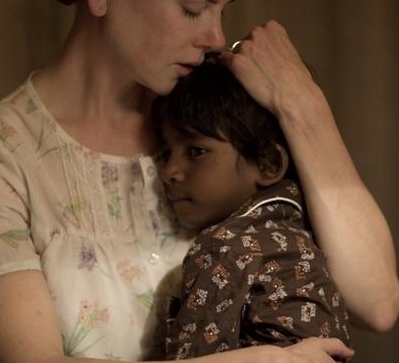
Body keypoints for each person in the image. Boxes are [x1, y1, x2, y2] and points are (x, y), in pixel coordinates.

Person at [0, 0, 399, 362]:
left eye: (223, 10)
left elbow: (378, 303)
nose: (216, 37)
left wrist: (303, 105)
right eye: (193, 8)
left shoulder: (218, 113)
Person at [150, 62, 350, 359]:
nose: (169, 171)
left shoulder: (223, 247)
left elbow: (190, 360)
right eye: (166, 153)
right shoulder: (308, 230)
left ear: (268, 163)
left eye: (196, 151)